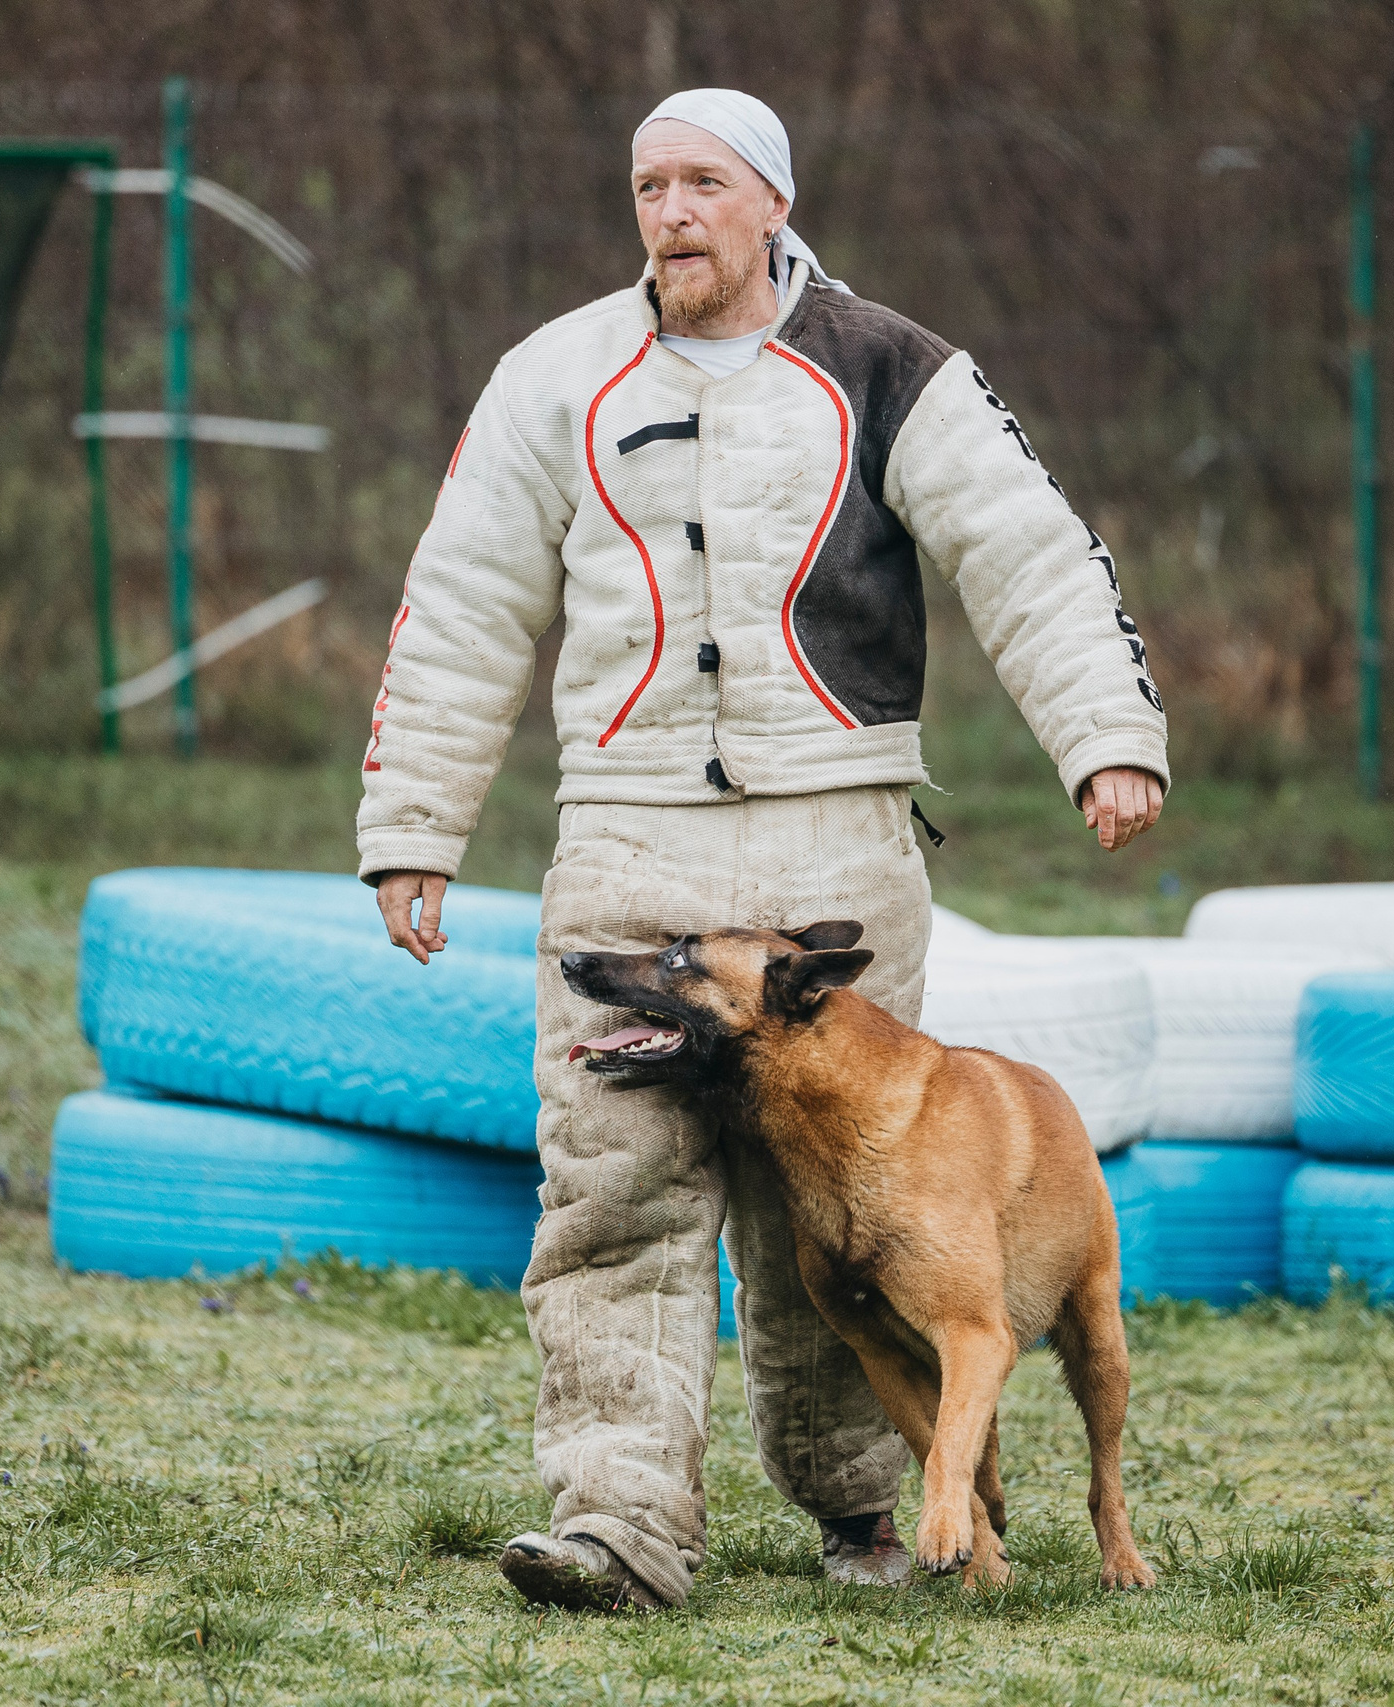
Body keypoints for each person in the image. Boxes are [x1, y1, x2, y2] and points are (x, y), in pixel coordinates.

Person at [358, 87, 1168, 1612]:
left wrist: (1108, 734)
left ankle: (874, 1510)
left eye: (704, 185)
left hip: (839, 840)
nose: (671, 213)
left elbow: (1029, 547)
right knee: (609, 1199)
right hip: (623, 834)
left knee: (858, 1218)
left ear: (773, 204)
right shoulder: (553, 377)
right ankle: (618, 1524)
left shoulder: (895, 368)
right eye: (649, 184)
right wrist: (413, 824)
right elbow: (460, 598)